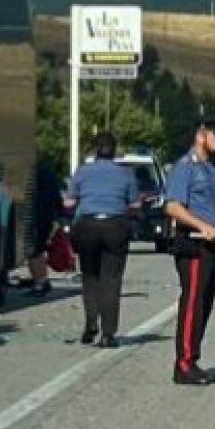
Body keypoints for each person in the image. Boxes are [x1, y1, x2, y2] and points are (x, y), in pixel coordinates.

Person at [164, 119, 215, 386]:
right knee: (192, 303)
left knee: (205, 303)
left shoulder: (211, 171)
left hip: (211, 245)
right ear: (202, 134)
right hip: (192, 243)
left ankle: (193, 357)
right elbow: (173, 207)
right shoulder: (185, 167)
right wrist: (202, 226)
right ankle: (183, 363)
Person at [64, 132, 140, 348]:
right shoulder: (125, 174)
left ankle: (90, 325)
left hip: (87, 225)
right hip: (115, 226)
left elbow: (69, 202)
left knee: (89, 277)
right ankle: (108, 333)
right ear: (114, 151)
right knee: (111, 280)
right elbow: (135, 205)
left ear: (94, 150)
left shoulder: (83, 172)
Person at [19, 162, 64, 296]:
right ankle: (41, 280)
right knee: (38, 249)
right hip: (46, 216)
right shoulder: (48, 172)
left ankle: (41, 282)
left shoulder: (26, 173)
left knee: (34, 251)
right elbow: (57, 197)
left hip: (33, 217)